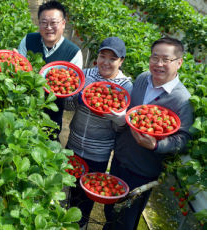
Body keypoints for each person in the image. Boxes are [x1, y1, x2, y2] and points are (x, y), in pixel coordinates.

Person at [103, 37, 194, 230]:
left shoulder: (182, 99)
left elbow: (183, 139)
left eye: (165, 60)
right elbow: (132, 114)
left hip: (142, 171)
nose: (158, 64)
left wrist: (156, 145)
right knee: (110, 210)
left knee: (126, 220)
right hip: (120, 158)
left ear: (179, 62)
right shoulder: (143, 79)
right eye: (154, 57)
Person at [63, 37, 132, 229]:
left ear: (121, 61)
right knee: (71, 186)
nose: (106, 62)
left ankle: (80, 224)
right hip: (74, 144)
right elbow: (68, 106)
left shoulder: (125, 87)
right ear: (97, 57)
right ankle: (68, 218)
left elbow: (120, 128)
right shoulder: (85, 75)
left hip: (98, 153)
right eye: (103, 56)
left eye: (112, 58)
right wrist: (75, 97)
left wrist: (117, 118)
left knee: (87, 195)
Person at [17, 0, 83, 136]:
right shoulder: (28, 40)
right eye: (44, 22)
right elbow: (19, 70)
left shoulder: (74, 52)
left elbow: (71, 87)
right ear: (38, 23)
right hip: (23, 108)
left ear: (63, 24)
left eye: (53, 23)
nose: (48, 27)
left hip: (52, 116)